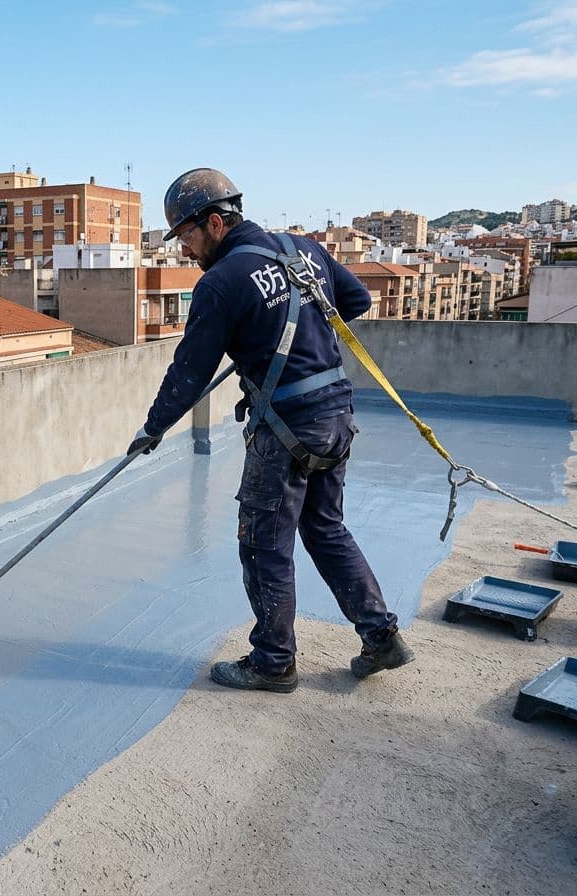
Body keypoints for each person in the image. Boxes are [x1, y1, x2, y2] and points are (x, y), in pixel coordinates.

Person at [127, 168, 413, 693]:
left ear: (214, 223)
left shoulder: (221, 283)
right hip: (335, 414)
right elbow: (355, 303)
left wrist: (152, 429)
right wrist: (286, 336)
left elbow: (190, 370)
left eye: (187, 237)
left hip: (285, 428)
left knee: (264, 544)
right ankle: (381, 635)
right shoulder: (303, 248)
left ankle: (273, 662)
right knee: (326, 528)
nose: (185, 250)